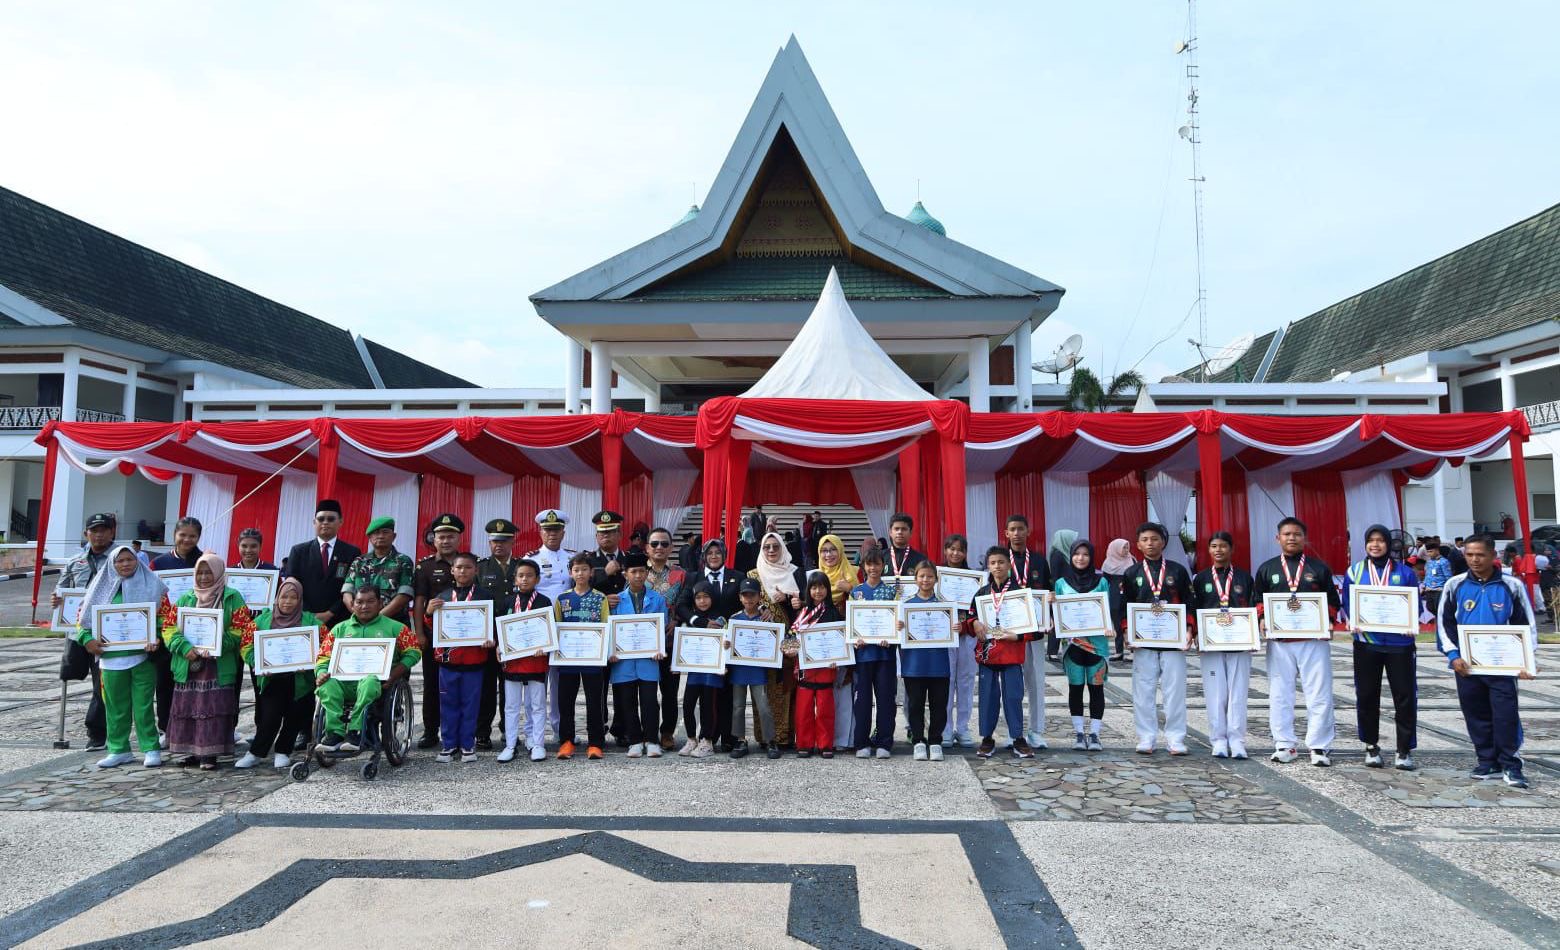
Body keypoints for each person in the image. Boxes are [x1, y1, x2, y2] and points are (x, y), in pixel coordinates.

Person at [1437, 534, 1536, 788]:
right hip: (1467, 666)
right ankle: (1487, 761)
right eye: (1469, 554)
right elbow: (1444, 624)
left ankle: (1511, 764)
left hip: (1502, 666)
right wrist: (1453, 655)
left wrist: (1526, 660)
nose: (1474, 560)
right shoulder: (1455, 585)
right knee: (1475, 713)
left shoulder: (1511, 586)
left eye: (1480, 554)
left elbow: (1526, 626)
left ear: (1494, 556)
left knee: (1505, 715)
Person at [1253, 516, 1342, 767]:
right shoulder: (1267, 568)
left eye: (1296, 534)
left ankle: (1319, 746)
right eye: (1286, 534)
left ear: (1305, 538)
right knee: (1280, 694)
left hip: (1313, 640)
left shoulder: (1319, 568)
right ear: (1277, 538)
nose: (1291, 538)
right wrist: (1261, 617)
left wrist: (1330, 621)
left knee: (1319, 693)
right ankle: (1285, 744)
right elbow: (1258, 599)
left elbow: (1333, 601)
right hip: (1280, 641)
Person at [76, 545, 168, 768]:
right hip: (111, 660)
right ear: (112, 564)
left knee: (143, 706)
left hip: (142, 658)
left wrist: (157, 637)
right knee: (115, 706)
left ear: (138, 561)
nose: (125, 564)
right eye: (120, 561)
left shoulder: (153, 585)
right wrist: (87, 640)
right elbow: (82, 621)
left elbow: (166, 618)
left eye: (130, 559)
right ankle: (119, 749)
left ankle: (151, 748)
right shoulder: (99, 588)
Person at [1341, 524, 1421, 771]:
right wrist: (1352, 620)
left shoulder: (1405, 572)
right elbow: (1347, 602)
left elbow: (1414, 604)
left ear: (1389, 544)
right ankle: (1371, 746)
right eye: (1371, 540)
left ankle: (1404, 750)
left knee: (1405, 696)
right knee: (1366, 695)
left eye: (1380, 540)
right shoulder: (1354, 572)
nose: (1375, 545)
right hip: (1367, 643)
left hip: (1400, 643)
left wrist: (1411, 622)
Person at [162, 553, 253, 769]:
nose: (204, 577)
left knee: (213, 708)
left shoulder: (232, 597)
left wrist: (216, 644)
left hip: (218, 665)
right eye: (200, 572)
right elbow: (168, 628)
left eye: (209, 572)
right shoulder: (186, 598)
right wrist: (185, 648)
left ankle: (209, 755)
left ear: (219, 573)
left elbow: (242, 628)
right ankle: (191, 751)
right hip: (189, 663)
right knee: (189, 707)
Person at [313, 586, 420, 752]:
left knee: (369, 682)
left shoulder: (396, 628)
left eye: (370, 601)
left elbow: (413, 651)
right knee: (327, 685)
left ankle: (356, 730)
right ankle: (334, 733)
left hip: (376, 683)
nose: (364, 606)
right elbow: (323, 657)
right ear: (353, 605)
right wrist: (321, 673)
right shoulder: (340, 629)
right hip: (344, 684)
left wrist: (394, 674)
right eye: (359, 602)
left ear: (380, 603)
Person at [1120, 522, 1195, 755]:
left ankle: (1176, 738)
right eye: (1145, 539)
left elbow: (1188, 602)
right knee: (1143, 690)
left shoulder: (1178, 571)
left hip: (1172, 642)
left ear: (1163, 542)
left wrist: (1189, 629)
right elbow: (1123, 607)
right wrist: (1125, 631)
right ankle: (1146, 736)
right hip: (1144, 641)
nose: (1150, 543)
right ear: (1138, 544)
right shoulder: (1131, 573)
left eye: (1154, 539)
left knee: (1174, 691)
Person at [426, 551, 501, 762]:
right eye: (459, 567)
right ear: (452, 570)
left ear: (476, 570)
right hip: (448, 661)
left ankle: (468, 745)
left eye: (468, 567)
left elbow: (493, 625)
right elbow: (433, 629)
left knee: (470, 704)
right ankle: (448, 745)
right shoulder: (441, 597)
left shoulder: (485, 597)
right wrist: (429, 613)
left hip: (474, 661)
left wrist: (491, 639)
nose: (463, 571)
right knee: (448, 703)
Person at [237, 577, 319, 769]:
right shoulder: (262, 620)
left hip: (299, 678)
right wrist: (257, 663)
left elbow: (323, 646)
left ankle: (283, 751)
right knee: (269, 718)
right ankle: (256, 753)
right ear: (276, 598)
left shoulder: (310, 621)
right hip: (272, 678)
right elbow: (246, 645)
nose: (287, 602)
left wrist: (311, 662)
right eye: (284, 597)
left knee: (294, 716)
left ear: (300, 600)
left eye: (293, 598)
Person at [54, 511, 118, 751]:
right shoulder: (75, 561)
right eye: (94, 530)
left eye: (104, 529)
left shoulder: (120, 558)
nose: (99, 534)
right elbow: (62, 590)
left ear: (112, 532)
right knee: (70, 673)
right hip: (77, 630)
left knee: (102, 682)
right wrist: (56, 600)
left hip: (106, 631)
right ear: (86, 533)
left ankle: (97, 732)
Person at [1191, 531, 1255, 759]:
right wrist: (1197, 633)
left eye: (1223, 546)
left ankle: (1237, 740)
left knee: (1238, 693)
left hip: (1239, 642)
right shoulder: (1200, 579)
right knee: (1216, 694)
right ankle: (1218, 739)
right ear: (1209, 550)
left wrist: (1253, 635)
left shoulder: (1245, 578)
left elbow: (1253, 608)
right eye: (1214, 546)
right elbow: (1194, 608)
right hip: (1212, 643)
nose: (1218, 550)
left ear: (1231, 549)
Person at [967, 547, 1035, 759]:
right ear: (988, 566)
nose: (997, 566)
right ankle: (987, 738)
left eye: (1001, 562)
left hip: (1012, 652)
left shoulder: (1021, 593)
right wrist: (975, 622)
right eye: (993, 562)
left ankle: (1017, 737)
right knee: (987, 697)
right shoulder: (981, 593)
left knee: (1013, 696)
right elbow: (969, 618)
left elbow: (1034, 627)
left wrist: (1019, 637)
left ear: (1009, 565)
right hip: (988, 654)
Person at [522, 509, 575, 744]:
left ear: (563, 531)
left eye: (556, 530)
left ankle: (559, 729)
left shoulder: (573, 558)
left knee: (559, 683)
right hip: (539, 627)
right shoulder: (531, 559)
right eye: (547, 530)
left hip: (565, 626)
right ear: (540, 531)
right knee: (535, 682)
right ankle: (533, 732)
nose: (552, 534)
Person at [411, 513, 463, 749]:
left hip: (465, 636)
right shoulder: (425, 566)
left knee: (462, 683)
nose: (446, 541)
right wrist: (420, 633)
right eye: (441, 536)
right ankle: (430, 731)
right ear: (434, 539)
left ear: (459, 538)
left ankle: (461, 729)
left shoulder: (470, 563)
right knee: (432, 683)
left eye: (450, 536)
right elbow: (420, 601)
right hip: (435, 636)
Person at [751, 530, 807, 749]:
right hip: (764, 644)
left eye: (776, 546)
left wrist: (794, 602)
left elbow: (807, 606)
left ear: (783, 548)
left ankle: (786, 737)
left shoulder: (797, 573)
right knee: (765, 691)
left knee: (788, 689)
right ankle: (766, 737)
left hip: (791, 642)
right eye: (767, 547)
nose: (772, 550)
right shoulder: (754, 575)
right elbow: (746, 604)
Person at [609, 550, 667, 758]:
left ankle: (652, 740)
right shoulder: (616, 601)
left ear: (647, 573)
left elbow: (662, 626)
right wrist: (611, 651)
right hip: (622, 660)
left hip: (649, 659)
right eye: (633, 572)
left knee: (650, 701)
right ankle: (634, 740)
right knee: (627, 701)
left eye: (642, 571)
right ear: (625, 574)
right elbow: (610, 629)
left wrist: (660, 648)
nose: (638, 576)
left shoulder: (657, 599)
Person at [473, 518, 524, 751]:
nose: (499, 545)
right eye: (494, 541)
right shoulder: (480, 568)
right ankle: (482, 732)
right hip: (487, 638)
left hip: (513, 639)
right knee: (485, 689)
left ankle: (508, 731)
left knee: (510, 689)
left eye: (504, 541)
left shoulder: (522, 567)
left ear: (513, 540)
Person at [149, 515, 204, 731]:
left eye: (192, 536)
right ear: (174, 535)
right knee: (165, 682)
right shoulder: (159, 563)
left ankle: (194, 727)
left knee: (196, 682)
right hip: (167, 631)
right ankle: (166, 727)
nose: (187, 540)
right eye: (183, 535)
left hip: (197, 629)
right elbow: (151, 597)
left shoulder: (204, 561)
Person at [1055, 539, 1111, 752]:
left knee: (1096, 689)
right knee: (1075, 688)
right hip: (1073, 645)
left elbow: (1106, 609)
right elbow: (1058, 613)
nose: (1080, 558)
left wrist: (1109, 627)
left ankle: (1095, 734)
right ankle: (1079, 733)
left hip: (1097, 644)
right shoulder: (1061, 583)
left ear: (1092, 557)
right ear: (1071, 556)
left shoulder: (1101, 581)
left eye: (1085, 554)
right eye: (1077, 554)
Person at [555, 552, 610, 759]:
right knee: (565, 701)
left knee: (595, 701)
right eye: (576, 570)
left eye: (584, 569)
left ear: (591, 573)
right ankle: (567, 741)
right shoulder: (562, 599)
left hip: (592, 658)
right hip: (568, 659)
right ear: (570, 572)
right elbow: (557, 627)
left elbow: (606, 626)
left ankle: (595, 742)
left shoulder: (599, 598)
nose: (580, 573)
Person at [497, 558, 551, 763]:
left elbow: (549, 630)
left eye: (529, 575)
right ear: (515, 579)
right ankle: (510, 744)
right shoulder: (508, 602)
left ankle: (537, 743)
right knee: (511, 705)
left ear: (537, 578)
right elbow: (499, 629)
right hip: (512, 661)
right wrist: (498, 646)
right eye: (521, 575)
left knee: (536, 704)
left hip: (535, 660)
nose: (525, 579)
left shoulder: (544, 602)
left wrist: (544, 646)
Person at [1006, 515, 1053, 749]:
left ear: (1028, 531)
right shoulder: (999, 559)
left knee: (1036, 683)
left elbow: (1049, 590)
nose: (1016, 533)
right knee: (1010, 686)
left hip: (1034, 632)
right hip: (1008, 634)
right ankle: (1011, 731)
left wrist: (1051, 603)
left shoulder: (1038, 560)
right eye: (1012, 529)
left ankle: (1036, 731)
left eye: (1020, 529)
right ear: (1006, 533)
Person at [850, 547, 899, 758]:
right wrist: (855, 639)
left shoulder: (891, 592)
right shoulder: (856, 592)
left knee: (886, 700)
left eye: (877, 564)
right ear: (863, 567)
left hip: (885, 655)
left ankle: (884, 743)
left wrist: (893, 635)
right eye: (869, 564)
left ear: (883, 566)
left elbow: (897, 623)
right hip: (863, 656)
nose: (873, 568)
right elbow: (852, 624)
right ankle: (862, 742)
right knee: (862, 701)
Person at [900, 561, 951, 761]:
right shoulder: (906, 606)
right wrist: (899, 627)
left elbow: (956, 630)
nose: (925, 580)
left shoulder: (945, 606)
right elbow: (899, 636)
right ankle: (919, 740)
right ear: (915, 579)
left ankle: (936, 740)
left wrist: (955, 627)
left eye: (930, 576)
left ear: (936, 580)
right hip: (914, 666)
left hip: (939, 665)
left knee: (939, 705)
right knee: (915, 706)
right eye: (922, 576)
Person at [728, 577, 781, 759]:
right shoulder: (734, 619)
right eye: (745, 596)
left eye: (752, 595)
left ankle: (770, 740)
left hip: (758, 670)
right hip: (739, 670)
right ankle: (740, 740)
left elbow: (775, 640)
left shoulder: (766, 618)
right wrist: (727, 645)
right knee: (738, 707)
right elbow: (727, 643)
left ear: (759, 597)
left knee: (764, 706)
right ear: (740, 597)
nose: (749, 599)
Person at [645, 526, 687, 751]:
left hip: (671, 641)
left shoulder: (680, 575)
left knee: (670, 692)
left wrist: (678, 619)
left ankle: (667, 732)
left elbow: (686, 602)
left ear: (671, 547)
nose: (659, 548)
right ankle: (648, 731)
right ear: (647, 548)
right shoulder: (638, 573)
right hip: (645, 644)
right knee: (648, 690)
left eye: (664, 544)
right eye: (654, 544)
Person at [793, 571, 843, 758]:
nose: (818, 591)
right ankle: (804, 743)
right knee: (804, 710)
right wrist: (790, 650)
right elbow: (794, 638)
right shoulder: (803, 613)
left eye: (822, 587)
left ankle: (825, 744)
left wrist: (838, 659)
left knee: (825, 710)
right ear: (808, 590)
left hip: (826, 669)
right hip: (806, 668)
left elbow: (839, 640)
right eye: (814, 587)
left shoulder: (834, 613)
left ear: (828, 590)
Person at [940, 534, 978, 748]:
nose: (955, 553)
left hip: (967, 635)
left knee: (966, 682)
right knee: (946, 682)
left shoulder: (974, 577)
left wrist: (970, 624)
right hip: (945, 635)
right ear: (945, 550)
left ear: (965, 552)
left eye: (960, 549)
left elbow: (978, 608)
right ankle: (945, 729)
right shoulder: (937, 575)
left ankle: (962, 728)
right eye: (951, 549)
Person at [341, 516, 415, 624]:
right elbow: (347, 593)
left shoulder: (403, 561)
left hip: (393, 624)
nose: (380, 536)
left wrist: (377, 619)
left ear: (394, 536)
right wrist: (359, 615)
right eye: (376, 533)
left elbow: (404, 596)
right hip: (361, 624)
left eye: (385, 532)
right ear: (370, 538)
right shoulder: (359, 562)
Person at [679, 581, 724, 758]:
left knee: (708, 706)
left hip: (712, 671)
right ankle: (691, 739)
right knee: (688, 704)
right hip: (694, 671)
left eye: (706, 597)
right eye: (698, 598)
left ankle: (707, 740)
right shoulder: (691, 620)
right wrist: (677, 663)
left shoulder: (720, 620)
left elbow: (726, 642)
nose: (702, 601)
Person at [1101, 539, 1135, 660]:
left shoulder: (1132, 560)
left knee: (1130, 623)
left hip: (1129, 596)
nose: (1126, 550)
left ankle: (1132, 651)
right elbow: (1104, 582)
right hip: (1114, 597)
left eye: (1127, 547)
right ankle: (1119, 651)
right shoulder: (1108, 563)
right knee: (1117, 624)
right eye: (1123, 548)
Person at [586, 509, 628, 597]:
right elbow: (581, 588)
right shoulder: (588, 560)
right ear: (596, 536)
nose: (605, 535)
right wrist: (604, 573)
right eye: (601, 532)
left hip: (626, 609)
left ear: (620, 535)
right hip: (599, 609)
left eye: (610, 531)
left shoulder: (629, 558)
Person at [883, 512, 928, 587]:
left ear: (911, 533)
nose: (900, 532)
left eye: (904, 529)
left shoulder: (921, 559)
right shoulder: (880, 557)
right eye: (896, 529)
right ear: (890, 532)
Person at [1422, 542, 1452, 616]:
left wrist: (1448, 588)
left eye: (1431, 551)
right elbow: (1427, 574)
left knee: (1439, 608)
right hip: (1429, 589)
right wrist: (1424, 585)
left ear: (1437, 551)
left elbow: (1448, 576)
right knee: (1429, 607)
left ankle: (1440, 624)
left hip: (1439, 589)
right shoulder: (1429, 562)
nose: (1429, 554)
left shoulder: (1443, 562)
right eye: (1428, 552)